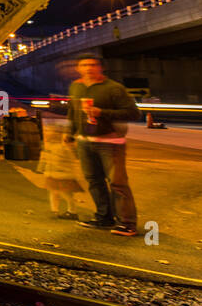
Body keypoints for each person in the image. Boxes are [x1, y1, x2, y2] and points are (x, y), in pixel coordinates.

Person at [63, 55, 139, 236]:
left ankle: (127, 224)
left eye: (92, 65)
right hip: (84, 142)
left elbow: (133, 113)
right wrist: (70, 132)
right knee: (94, 181)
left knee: (117, 183)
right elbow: (73, 111)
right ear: (78, 68)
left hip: (110, 142)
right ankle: (103, 217)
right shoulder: (76, 86)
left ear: (101, 68)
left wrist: (102, 112)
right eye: (84, 65)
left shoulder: (114, 88)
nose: (88, 68)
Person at [37, 118, 81, 219]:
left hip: (63, 175)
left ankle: (72, 211)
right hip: (53, 174)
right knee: (54, 192)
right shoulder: (48, 147)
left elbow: (71, 160)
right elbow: (44, 159)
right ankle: (54, 210)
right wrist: (42, 168)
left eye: (50, 133)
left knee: (66, 194)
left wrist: (70, 171)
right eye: (47, 132)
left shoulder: (63, 148)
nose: (47, 135)